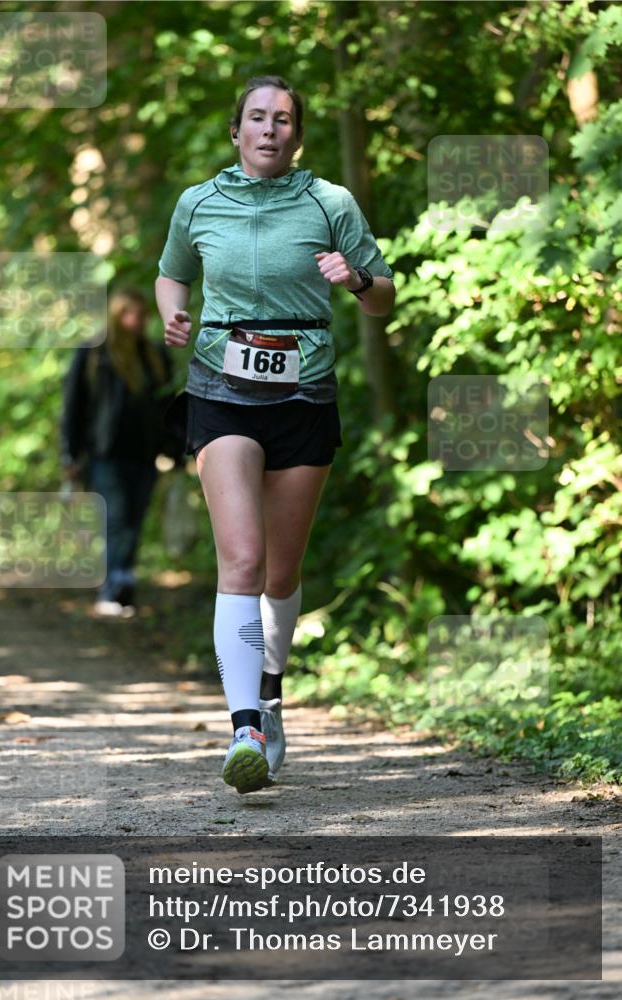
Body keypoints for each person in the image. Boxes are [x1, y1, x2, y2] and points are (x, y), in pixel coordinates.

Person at [155, 75, 395, 794]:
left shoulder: (330, 204)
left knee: (283, 572)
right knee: (244, 559)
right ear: (236, 131)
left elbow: (384, 300)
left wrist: (354, 279)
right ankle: (243, 728)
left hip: (302, 393)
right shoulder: (198, 202)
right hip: (219, 392)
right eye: (257, 118)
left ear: (297, 134)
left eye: (283, 119)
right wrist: (175, 314)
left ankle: (272, 691)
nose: (269, 129)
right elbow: (171, 275)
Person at [61, 287, 182, 617]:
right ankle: (113, 587)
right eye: (135, 314)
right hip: (105, 454)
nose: (142, 321)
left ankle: (122, 584)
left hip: (145, 454)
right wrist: (69, 454)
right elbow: (74, 405)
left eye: (145, 315)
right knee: (115, 519)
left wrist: (176, 449)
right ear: (119, 314)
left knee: (134, 521)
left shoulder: (154, 354)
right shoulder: (95, 353)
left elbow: (167, 405)